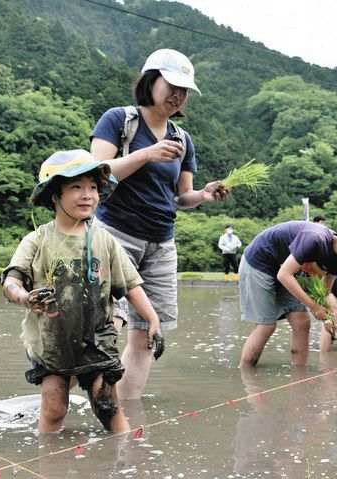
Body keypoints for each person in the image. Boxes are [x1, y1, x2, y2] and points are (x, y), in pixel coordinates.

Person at [90, 49, 227, 399]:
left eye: (184, 90)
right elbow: (94, 175)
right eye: (172, 84)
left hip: (161, 244)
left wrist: (204, 195)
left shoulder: (183, 139)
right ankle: (97, 397)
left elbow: (182, 197)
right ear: (151, 80)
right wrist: (145, 154)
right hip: (115, 235)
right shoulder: (119, 120)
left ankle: (125, 412)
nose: (178, 95)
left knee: (148, 333)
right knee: (110, 322)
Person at [1, 150, 164, 433]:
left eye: (92, 187)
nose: (87, 195)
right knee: (54, 409)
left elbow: (131, 285)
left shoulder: (105, 240)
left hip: (98, 338)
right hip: (52, 342)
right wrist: (25, 298)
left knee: (107, 405)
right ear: (55, 195)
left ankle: (122, 461)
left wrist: (153, 320)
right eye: (76, 187)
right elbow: (11, 281)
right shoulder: (37, 239)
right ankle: (48, 462)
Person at [238, 221, 337, 366]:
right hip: (259, 262)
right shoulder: (314, 238)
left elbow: (323, 294)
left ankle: (299, 375)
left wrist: (330, 322)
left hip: (284, 268)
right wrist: (315, 308)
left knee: (302, 322)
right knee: (267, 326)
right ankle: (247, 376)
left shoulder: (336, 261)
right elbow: (284, 275)